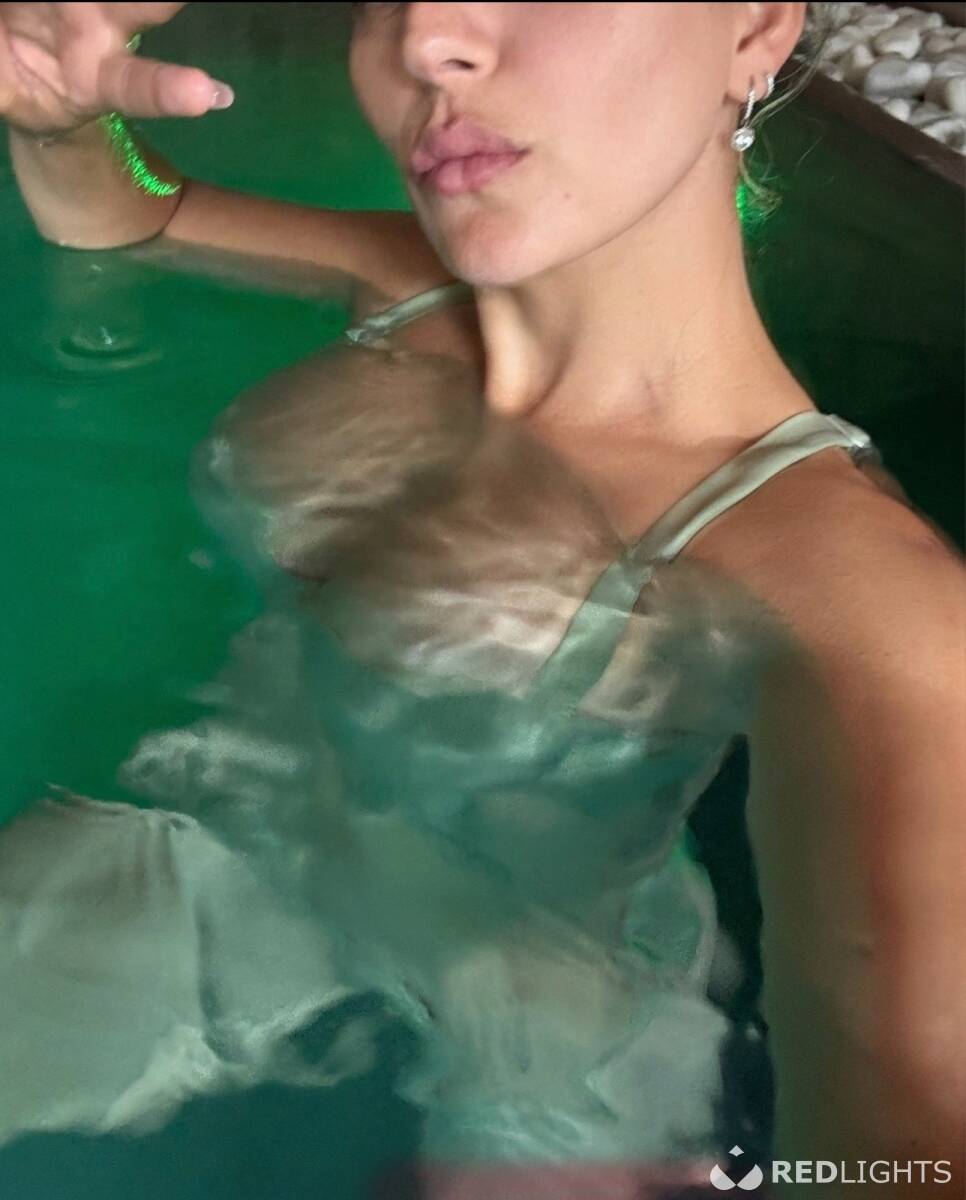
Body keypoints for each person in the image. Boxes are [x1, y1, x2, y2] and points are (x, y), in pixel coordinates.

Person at [1, 4, 964, 1198]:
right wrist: (64, 122)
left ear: (756, 25)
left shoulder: (854, 592)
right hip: (207, 853)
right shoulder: (404, 284)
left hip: (537, 1030)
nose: (424, 40)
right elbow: (128, 215)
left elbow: (908, 1131)